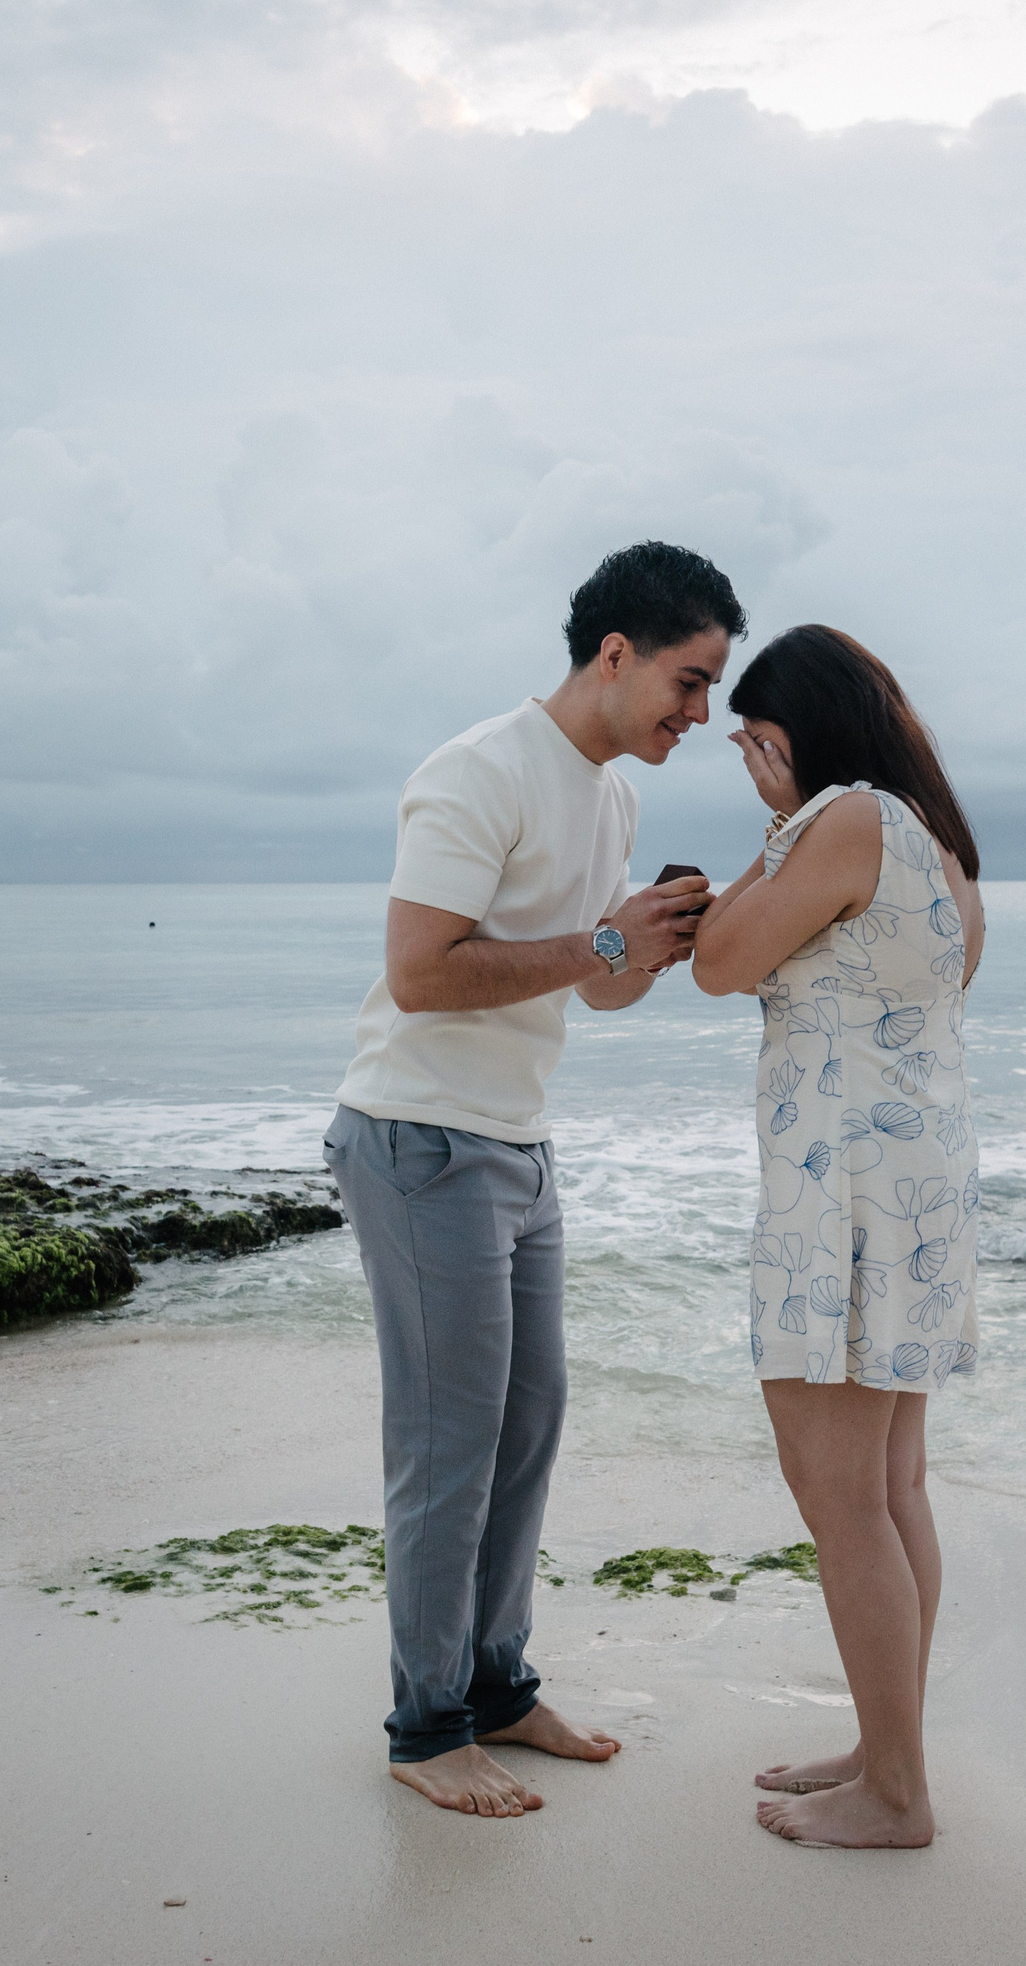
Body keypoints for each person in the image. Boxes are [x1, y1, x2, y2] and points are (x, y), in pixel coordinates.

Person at [324, 541, 744, 1818]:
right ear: (614, 654)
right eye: (688, 679)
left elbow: (592, 979)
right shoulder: (476, 769)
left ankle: (498, 1689)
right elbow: (424, 972)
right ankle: (424, 1725)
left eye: (715, 688)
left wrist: (645, 945)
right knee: (448, 1444)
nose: (700, 714)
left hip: (516, 1139)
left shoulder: (610, 793)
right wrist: (600, 939)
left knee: (528, 1426)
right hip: (419, 1137)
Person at [691, 624, 987, 1850]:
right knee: (891, 1485)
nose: (751, 763)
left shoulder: (844, 818)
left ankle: (898, 1794)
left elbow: (717, 962)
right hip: (912, 1187)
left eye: (755, 740)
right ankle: (886, 1746)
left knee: (837, 1493)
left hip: (841, 1197)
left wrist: (772, 823)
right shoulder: (942, 849)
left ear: (794, 731)